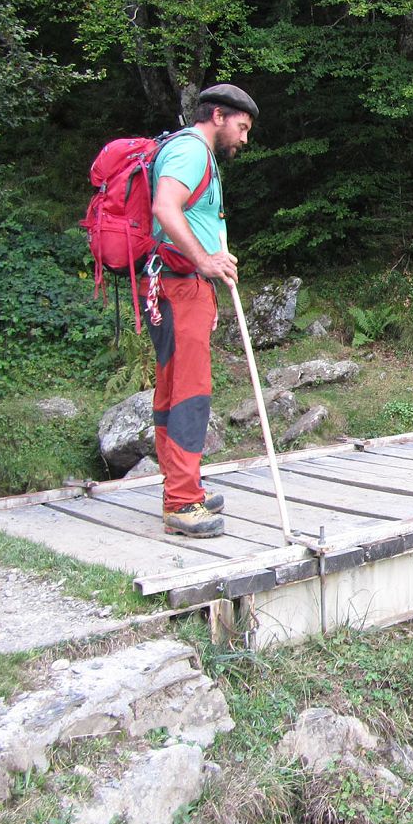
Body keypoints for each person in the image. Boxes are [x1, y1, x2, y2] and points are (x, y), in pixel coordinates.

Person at [147, 83, 256, 537]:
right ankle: (182, 502)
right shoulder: (191, 151)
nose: (244, 139)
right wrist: (203, 259)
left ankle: (182, 485)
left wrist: (212, 261)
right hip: (179, 286)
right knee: (190, 391)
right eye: (242, 127)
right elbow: (165, 208)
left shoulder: (195, 153)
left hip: (180, 286)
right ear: (218, 116)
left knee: (175, 388)